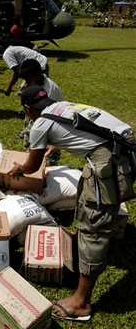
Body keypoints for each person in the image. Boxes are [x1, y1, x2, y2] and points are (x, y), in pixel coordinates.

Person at [8, 85, 135, 322]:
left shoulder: (39, 124)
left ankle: (81, 303)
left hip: (107, 161)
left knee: (93, 227)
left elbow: (32, 167)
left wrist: (19, 169)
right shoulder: (65, 107)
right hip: (126, 149)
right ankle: (85, 248)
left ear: (27, 108)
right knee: (87, 204)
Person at [19, 59, 64, 156]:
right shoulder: (32, 82)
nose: (27, 83)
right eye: (26, 80)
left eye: (29, 80)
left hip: (51, 119)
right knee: (29, 142)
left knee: (45, 152)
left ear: (39, 74)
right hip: (35, 114)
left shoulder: (48, 89)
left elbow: (48, 117)